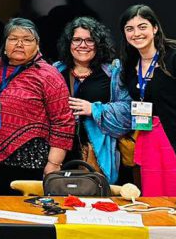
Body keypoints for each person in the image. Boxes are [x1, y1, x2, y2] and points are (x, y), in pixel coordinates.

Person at [0, 18, 74, 195]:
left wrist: (54, 164)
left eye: (27, 39)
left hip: (27, 162)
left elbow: (63, 121)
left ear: (37, 45)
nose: (19, 44)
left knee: (21, 216)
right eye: (13, 38)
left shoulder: (48, 75)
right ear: (5, 43)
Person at [120, 4, 176, 195]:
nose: (136, 33)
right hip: (151, 145)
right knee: (157, 208)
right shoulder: (129, 65)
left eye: (142, 26)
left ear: (155, 28)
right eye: (130, 29)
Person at [53, 17, 133, 183]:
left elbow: (128, 110)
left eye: (90, 40)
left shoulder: (113, 72)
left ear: (99, 44)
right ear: (69, 43)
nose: (83, 45)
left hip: (101, 156)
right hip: (60, 154)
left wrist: (94, 109)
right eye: (77, 40)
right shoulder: (55, 71)